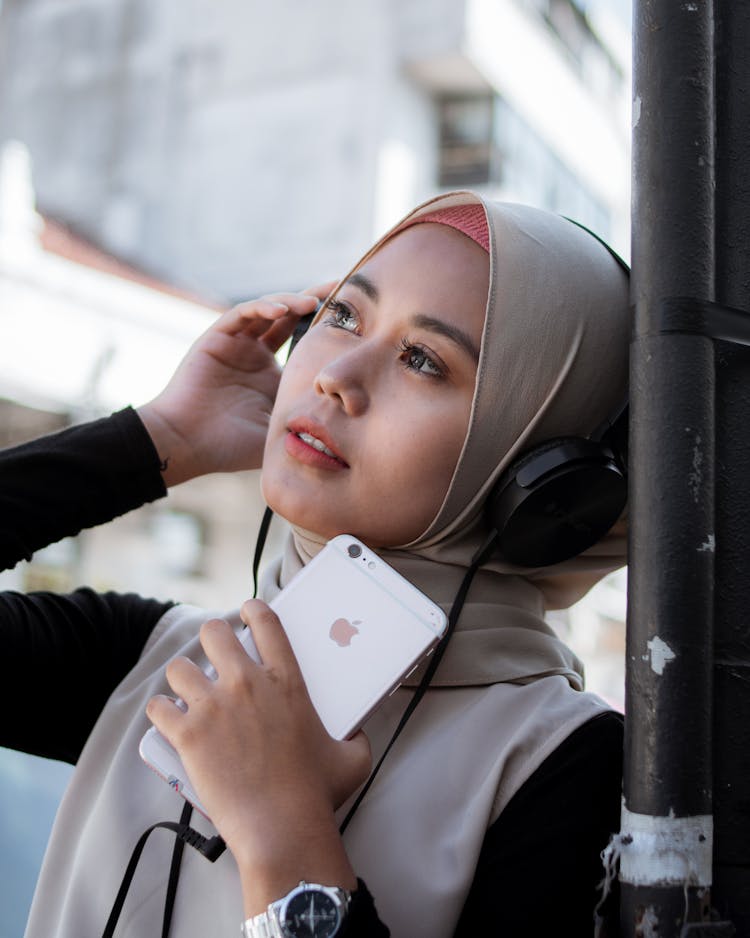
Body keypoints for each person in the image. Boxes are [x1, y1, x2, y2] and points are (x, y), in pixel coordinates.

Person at [1, 191, 629, 937]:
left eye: (423, 359)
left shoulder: (563, 764)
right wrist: (159, 438)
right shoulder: (160, 663)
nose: (337, 374)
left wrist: (282, 836)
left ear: (538, 471)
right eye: (341, 316)